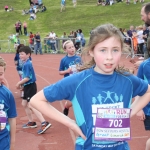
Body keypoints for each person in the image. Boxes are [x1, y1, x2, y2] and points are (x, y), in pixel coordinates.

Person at [30, 24, 150, 149]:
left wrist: (128, 114)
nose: (109, 57)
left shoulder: (128, 80)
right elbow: (36, 100)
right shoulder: (77, 81)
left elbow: (148, 92)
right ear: (91, 51)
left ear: (121, 50)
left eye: (115, 50)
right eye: (102, 50)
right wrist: (71, 123)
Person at [16, 46, 50, 134]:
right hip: (27, 86)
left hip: (30, 86)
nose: (20, 56)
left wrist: (19, 83)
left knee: (31, 105)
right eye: (19, 54)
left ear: (28, 55)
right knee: (24, 104)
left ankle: (44, 122)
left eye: (22, 54)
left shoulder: (27, 64)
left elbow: (27, 78)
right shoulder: (26, 63)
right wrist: (23, 85)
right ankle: (31, 122)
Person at [59, 40, 81, 116]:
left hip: (78, 81)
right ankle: (66, 106)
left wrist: (80, 68)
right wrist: (67, 71)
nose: (72, 49)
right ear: (65, 50)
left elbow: (84, 68)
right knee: (71, 101)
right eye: (69, 47)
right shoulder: (64, 60)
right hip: (69, 82)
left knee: (77, 99)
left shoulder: (79, 58)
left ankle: (79, 118)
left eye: (73, 47)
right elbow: (60, 72)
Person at [0, 56, 17, 150]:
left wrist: (13, 143)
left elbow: (12, 118)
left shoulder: (7, 94)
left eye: (0, 74)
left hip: (3, 141)